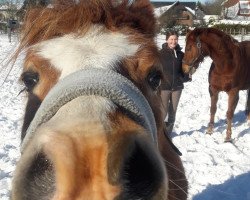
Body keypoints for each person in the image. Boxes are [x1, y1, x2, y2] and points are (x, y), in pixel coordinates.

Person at [160, 30, 191, 134]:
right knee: (163, 112)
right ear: (167, 40)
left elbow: (185, 70)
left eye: (175, 39)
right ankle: (160, 132)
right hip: (164, 87)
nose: (173, 41)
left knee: (173, 111)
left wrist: (185, 77)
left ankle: (168, 133)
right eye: (171, 39)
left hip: (177, 87)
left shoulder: (181, 55)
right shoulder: (160, 54)